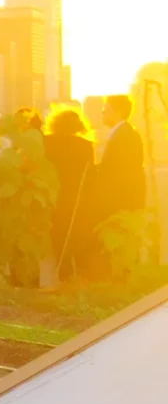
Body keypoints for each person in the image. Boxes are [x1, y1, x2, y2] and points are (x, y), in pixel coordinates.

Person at [87, 94, 150, 278]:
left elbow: (121, 171)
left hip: (121, 200)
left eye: (105, 109)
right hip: (121, 198)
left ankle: (119, 277)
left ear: (117, 111)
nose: (102, 113)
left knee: (121, 240)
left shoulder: (126, 135)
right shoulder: (123, 134)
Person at [47, 108, 98, 282]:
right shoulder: (85, 145)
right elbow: (90, 175)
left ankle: (62, 275)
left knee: (58, 238)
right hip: (76, 198)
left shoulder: (47, 142)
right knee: (76, 237)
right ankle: (78, 277)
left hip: (53, 196)